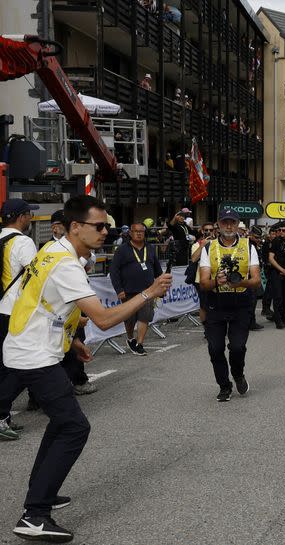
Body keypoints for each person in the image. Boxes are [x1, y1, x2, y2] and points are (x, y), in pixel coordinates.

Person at [0, 195, 172, 542]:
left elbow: (39, 301)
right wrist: (149, 293)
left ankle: (41, 492)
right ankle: (35, 514)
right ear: (75, 227)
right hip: (33, 355)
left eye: (107, 226)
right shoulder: (64, 263)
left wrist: (71, 339)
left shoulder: (52, 250)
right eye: (99, 226)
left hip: (32, 348)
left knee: (63, 424)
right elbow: (106, 319)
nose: (106, 232)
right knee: (75, 428)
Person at [198, 206, 261, 402]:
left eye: (232, 222)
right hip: (216, 303)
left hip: (241, 303)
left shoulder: (249, 246)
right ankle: (224, 386)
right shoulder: (208, 248)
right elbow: (204, 282)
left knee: (237, 347)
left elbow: (256, 279)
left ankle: (238, 374)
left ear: (237, 224)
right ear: (218, 224)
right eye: (225, 221)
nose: (228, 225)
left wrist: (239, 282)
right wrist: (218, 281)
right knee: (215, 348)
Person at [0, 199, 40, 431]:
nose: (30, 218)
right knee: (14, 367)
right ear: (21, 217)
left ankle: (4, 415)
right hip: (14, 313)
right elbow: (34, 277)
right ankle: (1, 415)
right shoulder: (23, 242)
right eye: (28, 214)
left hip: (0, 311)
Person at [109, 222, 163, 356]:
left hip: (147, 291)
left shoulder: (150, 248)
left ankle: (140, 344)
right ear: (130, 233)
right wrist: (119, 289)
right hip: (128, 291)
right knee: (129, 319)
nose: (139, 233)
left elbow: (158, 270)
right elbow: (114, 271)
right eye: (136, 231)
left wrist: (162, 285)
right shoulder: (122, 250)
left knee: (144, 317)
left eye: (142, 231)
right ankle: (130, 338)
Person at [190, 222, 215, 326]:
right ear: (202, 231)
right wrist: (202, 246)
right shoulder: (196, 245)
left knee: (216, 304)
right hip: (201, 279)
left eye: (210, 230)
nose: (208, 232)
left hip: (216, 278)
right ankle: (206, 328)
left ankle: (216, 325)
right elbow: (194, 259)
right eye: (206, 230)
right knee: (204, 305)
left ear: (214, 231)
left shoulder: (218, 244)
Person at [247, 226, 265, 331]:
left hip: (255, 275)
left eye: (259, 237)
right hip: (250, 276)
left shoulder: (255, 245)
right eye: (256, 237)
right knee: (251, 301)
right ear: (251, 235)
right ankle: (250, 323)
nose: (258, 239)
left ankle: (251, 322)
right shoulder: (248, 245)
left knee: (253, 300)